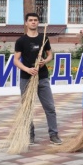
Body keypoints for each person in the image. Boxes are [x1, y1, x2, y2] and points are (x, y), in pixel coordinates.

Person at [13, 13, 62, 145]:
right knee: (27, 108)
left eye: (35, 20)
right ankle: (30, 134)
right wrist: (27, 69)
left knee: (50, 107)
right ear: (26, 23)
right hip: (26, 78)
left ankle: (54, 134)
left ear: (38, 22)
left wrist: (44, 61)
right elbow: (16, 60)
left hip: (42, 78)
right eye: (31, 20)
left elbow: (50, 55)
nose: (33, 22)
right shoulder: (21, 41)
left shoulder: (44, 38)